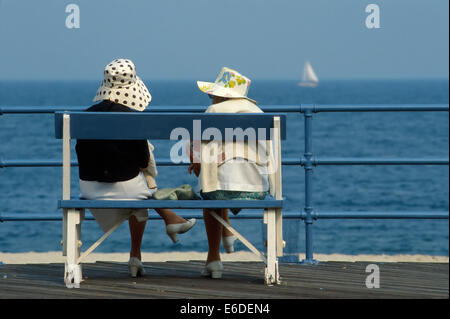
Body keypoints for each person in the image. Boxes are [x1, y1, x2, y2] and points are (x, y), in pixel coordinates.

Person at [75, 58, 196, 278]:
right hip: (127, 190)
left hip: (88, 189)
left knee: (140, 190)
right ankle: (140, 251)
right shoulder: (131, 119)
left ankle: (151, 241)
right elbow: (142, 160)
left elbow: (81, 152)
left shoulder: (84, 116)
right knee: (143, 188)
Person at [189, 67, 274, 279]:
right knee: (220, 179)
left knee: (211, 191)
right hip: (257, 187)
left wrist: (196, 164)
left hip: (219, 189)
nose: (210, 98)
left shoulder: (214, 112)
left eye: (212, 94)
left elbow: (197, 150)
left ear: (221, 94)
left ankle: (213, 258)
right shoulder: (259, 113)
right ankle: (230, 235)